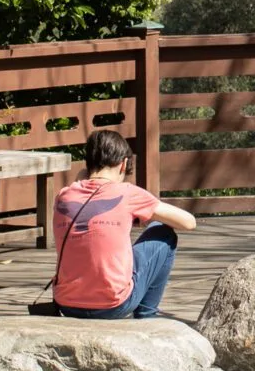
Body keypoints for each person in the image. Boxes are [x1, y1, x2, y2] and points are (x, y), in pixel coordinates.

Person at [42, 129, 196, 320]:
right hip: (113, 305)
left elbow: (83, 185)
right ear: (123, 164)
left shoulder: (64, 196)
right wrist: (144, 216)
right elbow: (189, 222)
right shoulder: (127, 193)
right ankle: (147, 317)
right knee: (163, 232)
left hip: (66, 304)